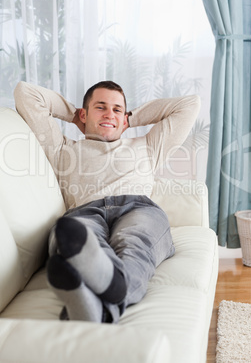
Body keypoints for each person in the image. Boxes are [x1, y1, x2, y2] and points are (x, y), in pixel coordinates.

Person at [14, 80, 200, 323]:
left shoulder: (149, 146)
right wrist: (74, 116)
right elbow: (25, 93)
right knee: (76, 237)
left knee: (133, 243)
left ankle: (102, 295)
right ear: (85, 113)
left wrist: (129, 119)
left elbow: (189, 104)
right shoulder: (62, 149)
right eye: (100, 107)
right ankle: (105, 295)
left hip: (138, 209)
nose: (109, 114)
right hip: (85, 213)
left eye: (117, 109)